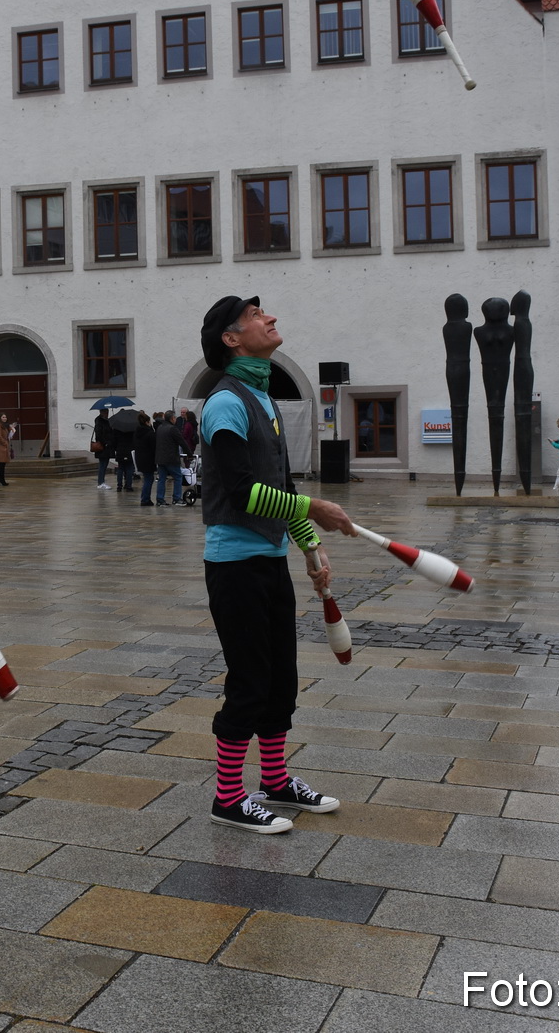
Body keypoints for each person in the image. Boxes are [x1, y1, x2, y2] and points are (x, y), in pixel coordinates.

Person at [197, 295, 350, 833]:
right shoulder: (225, 403)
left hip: (269, 562)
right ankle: (229, 797)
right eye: (258, 316)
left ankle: (277, 782)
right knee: (251, 680)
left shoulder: (264, 400)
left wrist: (310, 547)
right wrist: (314, 509)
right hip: (234, 566)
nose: (272, 318)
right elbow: (242, 493)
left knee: (281, 679)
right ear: (232, 339)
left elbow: (281, 486)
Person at [154, 411, 185, 505]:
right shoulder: (172, 429)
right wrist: (189, 453)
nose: (176, 419)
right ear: (172, 419)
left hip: (160, 458)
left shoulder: (160, 427)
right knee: (178, 477)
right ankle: (176, 498)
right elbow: (182, 441)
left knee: (162, 479)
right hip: (171, 458)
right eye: (175, 418)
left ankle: (160, 499)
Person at [134, 411, 158, 505]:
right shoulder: (149, 433)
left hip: (140, 458)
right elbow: (154, 446)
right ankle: (145, 499)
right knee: (149, 479)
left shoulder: (137, 432)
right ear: (147, 422)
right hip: (148, 459)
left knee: (147, 478)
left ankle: (145, 498)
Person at [113, 413, 137, 492]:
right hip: (129, 451)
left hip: (120, 451)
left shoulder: (116, 429)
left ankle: (119, 486)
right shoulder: (133, 429)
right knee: (129, 469)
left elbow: (114, 441)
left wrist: (116, 448)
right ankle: (128, 486)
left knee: (120, 468)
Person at [0, 413, 16, 487]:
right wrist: (5, 443)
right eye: (3, 417)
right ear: (0, 418)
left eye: (5, 417)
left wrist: (11, 428)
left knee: (3, 463)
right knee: (1, 463)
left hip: (4, 445)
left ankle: (1, 479)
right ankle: (2, 480)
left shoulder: (5, 426)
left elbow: (10, 431)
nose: (5, 418)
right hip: (0, 445)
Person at [93, 409, 113, 489]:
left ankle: (102, 481)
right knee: (102, 464)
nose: (107, 414)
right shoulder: (99, 421)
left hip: (106, 447)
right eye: (106, 412)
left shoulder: (106, 421)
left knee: (104, 464)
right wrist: (105, 442)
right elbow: (99, 434)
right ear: (102, 412)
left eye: (107, 412)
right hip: (102, 447)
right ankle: (101, 482)